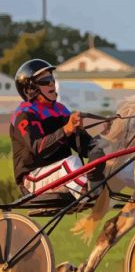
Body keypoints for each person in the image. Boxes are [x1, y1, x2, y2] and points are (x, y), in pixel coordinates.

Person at [10, 59, 104, 199]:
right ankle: (90, 192)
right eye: (45, 81)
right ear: (30, 89)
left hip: (60, 174)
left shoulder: (60, 110)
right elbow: (38, 149)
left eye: (52, 78)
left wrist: (103, 139)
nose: (52, 83)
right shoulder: (24, 114)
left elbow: (84, 149)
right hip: (32, 179)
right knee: (70, 162)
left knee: (106, 151)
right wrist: (66, 129)